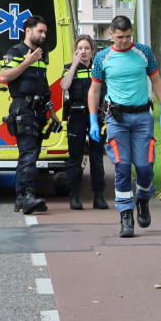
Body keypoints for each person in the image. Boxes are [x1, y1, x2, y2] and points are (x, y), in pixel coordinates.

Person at [88, 14, 161, 238]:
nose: (124, 41)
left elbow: (156, 80)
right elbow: (94, 90)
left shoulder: (144, 52)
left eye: (127, 36)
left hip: (143, 117)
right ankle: (126, 215)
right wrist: (92, 120)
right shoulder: (102, 57)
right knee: (122, 167)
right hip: (117, 119)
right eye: (119, 37)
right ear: (110, 35)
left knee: (145, 167)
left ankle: (143, 199)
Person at [0, 14, 55, 215]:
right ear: (28, 30)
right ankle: (27, 195)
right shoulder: (17, 52)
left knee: (31, 154)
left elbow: (42, 84)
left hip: (39, 110)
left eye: (45, 32)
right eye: (40, 31)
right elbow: (4, 76)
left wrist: (52, 111)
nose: (43, 35)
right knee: (29, 154)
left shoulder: (42, 53)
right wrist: (26, 62)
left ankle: (22, 198)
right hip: (23, 109)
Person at [59, 35, 108, 210]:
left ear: (93, 50)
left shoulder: (99, 68)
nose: (83, 52)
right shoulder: (70, 68)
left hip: (96, 116)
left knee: (96, 157)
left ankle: (99, 196)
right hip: (77, 116)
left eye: (86, 48)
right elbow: (64, 86)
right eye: (80, 48)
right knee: (75, 157)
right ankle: (74, 197)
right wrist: (73, 65)